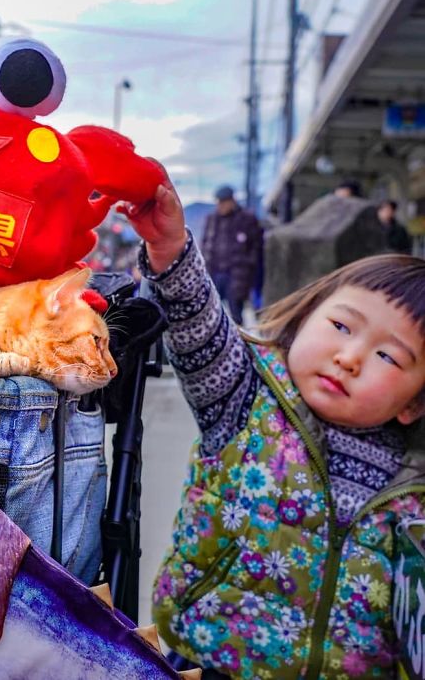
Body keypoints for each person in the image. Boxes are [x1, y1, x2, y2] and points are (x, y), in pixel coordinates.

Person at [121, 178, 425, 679]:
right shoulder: (245, 394)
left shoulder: (414, 476)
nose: (349, 358)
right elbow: (198, 324)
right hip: (212, 659)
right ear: (305, 318)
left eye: (388, 355)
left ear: (414, 403)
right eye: (342, 327)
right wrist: (170, 247)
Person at [200, 185, 261, 325]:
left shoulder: (246, 219)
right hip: (214, 273)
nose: (220, 206)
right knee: (211, 314)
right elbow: (205, 243)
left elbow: (255, 248)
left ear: (231, 201)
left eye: (223, 202)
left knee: (236, 315)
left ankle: (239, 344)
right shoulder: (212, 219)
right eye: (218, 202)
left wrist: (247, 269)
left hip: (236, 275)